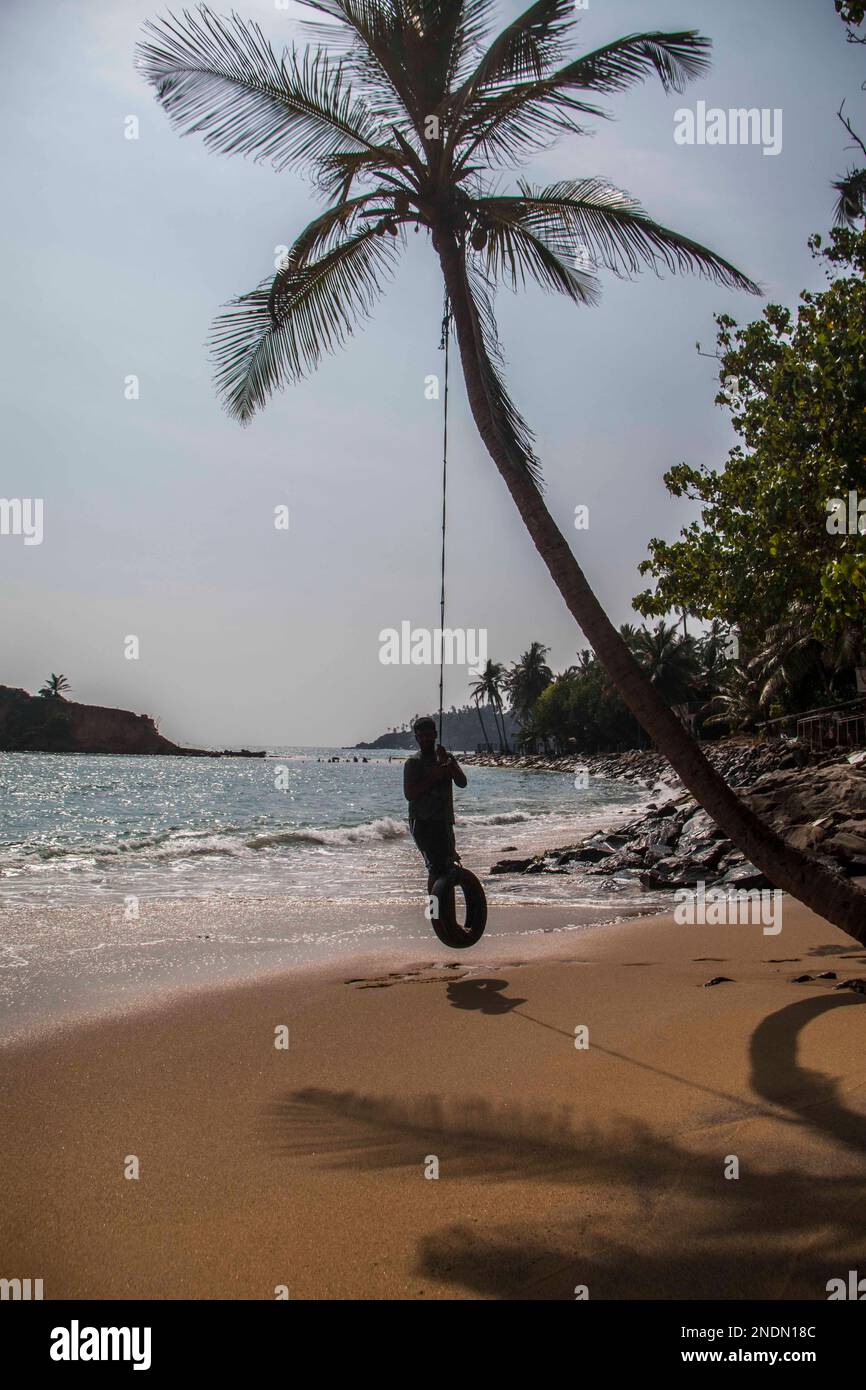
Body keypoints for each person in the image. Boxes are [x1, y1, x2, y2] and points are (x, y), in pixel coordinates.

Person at [403, 716, 467, 881]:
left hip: (444, 820)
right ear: (416, 738)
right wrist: (433, 776)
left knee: (448, 864)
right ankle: (435, 905)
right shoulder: (413, 763)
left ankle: (444, 905)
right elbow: (410, 794)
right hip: (423, 822)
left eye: (428, 735)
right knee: (436, 867)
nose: (425, 739)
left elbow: (462, 782)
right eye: (421, 736)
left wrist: (448, 763)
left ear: (435, 735)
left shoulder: (446, 758)